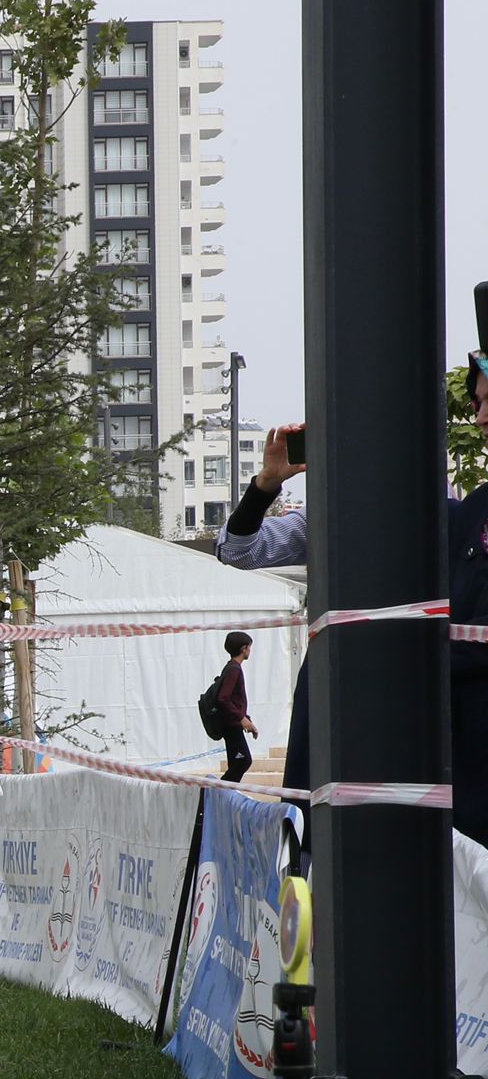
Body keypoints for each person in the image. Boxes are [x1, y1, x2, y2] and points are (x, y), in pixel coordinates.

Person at [219, 358, 488, 843]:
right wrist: (266, 485)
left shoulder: (451, 512)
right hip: (337, 692)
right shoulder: (327, 517)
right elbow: (238, 551)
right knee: (321, 836)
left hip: (418, 698)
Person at [214, 632, 257, 784]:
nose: (250, 650)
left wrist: (247, 720)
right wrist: (241, 718)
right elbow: (223, 698)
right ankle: (218, 791)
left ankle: (225, 792)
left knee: (236, 763)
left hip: (233, 724)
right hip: (232, 726)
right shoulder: (234, 669)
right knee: (243, 761)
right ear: (243, 649)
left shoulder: (231, 667)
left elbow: (234, 700)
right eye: (249, 647)